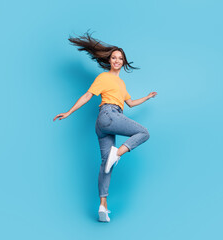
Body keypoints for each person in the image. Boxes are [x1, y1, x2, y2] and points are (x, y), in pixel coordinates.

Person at [53, 31, 157, 222]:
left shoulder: (121, 83)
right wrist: (69, 112)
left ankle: (103, 206)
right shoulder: (103, 78)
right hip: (109, 115)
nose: (117, 60)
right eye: (114, 57)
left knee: (105, 165)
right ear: (109, 60)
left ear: (123, 62)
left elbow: (131, 103)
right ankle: (116, 154)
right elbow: (87, 95)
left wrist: (148, 97)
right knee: (143, 132)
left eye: (120, 58)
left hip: (104, 123)